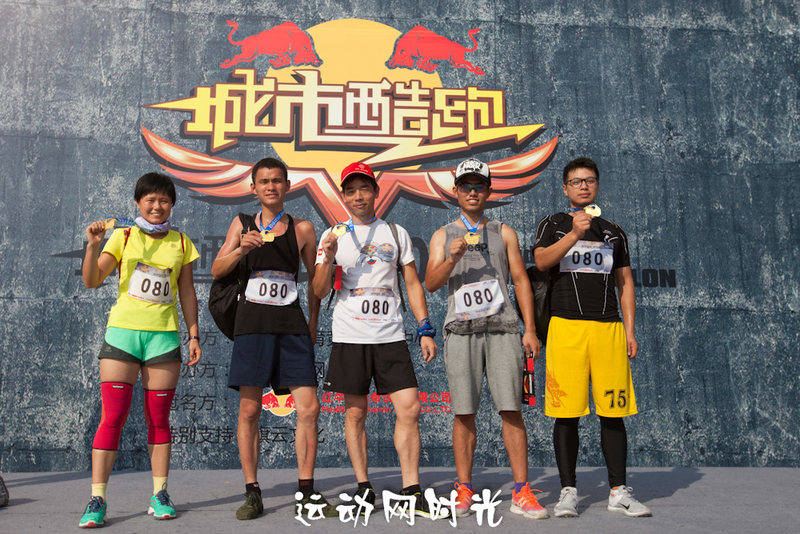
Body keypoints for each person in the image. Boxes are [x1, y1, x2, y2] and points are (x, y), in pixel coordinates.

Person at [313, 162, 442, 517]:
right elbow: (320, 290)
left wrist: (424, 327)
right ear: (343, 196)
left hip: (390, 335)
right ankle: (364, 487)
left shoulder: (396, 233)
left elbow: (412, 283)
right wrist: (327, 256)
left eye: (364, 189)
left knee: (410, 408)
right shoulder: (333, 235)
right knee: (355, 413)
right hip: (350, 335)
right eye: (351, 190)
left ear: (375, 192)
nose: (358, 196)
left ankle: (411, 490)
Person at [211, 157, 335, 520]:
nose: (270, 186)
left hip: (292, 326)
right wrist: (240, 250)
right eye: (264, 181)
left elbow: (317, 286)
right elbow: (217, 270)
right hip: (251, 326)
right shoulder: (242, 224)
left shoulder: (303, 229)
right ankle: (252, 492)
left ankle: (306, 492)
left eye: (277, 180)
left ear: (287, 186)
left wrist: (313, 318)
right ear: (254, 188)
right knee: (250, 410)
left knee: (309, 408)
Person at [425, 157, 547, 520]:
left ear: (489, 191)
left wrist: (529, 329)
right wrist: (451, 259)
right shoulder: (443, 235)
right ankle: (464, 488)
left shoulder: (504, 232)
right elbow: (430, 283)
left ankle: (522, 490)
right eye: (466, 186)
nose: (473, 192)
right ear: (456, 191)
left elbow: (521, 281)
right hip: (460, 331)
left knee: (511, 409)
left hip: (503, 330)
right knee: (464, 412)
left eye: (479, 186)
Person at [80, 172, 202, 528]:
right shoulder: (122, 236)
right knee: (113, 417)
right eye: (150, 199)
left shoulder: (182, 243)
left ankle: (159, 494)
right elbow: (91, 280)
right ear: (138, 203)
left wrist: (194, 335)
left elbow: (187, 292)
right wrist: (93, 246)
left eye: (164, 200)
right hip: (123, 337)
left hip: (163, 339)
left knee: (158, 419)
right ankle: (97, 499)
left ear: (172, 204)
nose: (157, 206)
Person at [533, 157, 651, 518]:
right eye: (576, 181)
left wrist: (629, 330)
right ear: (565, 188)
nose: (583, 186)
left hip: (608, 328)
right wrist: (574, 234)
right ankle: (568, 491)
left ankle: (618, 491)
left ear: (597, 186)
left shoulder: (614, 231)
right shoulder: (553, 224)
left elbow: (625, 283)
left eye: (589, 180)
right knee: (566, 414)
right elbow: (541, 262)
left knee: (613, 412)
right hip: (565, 328)